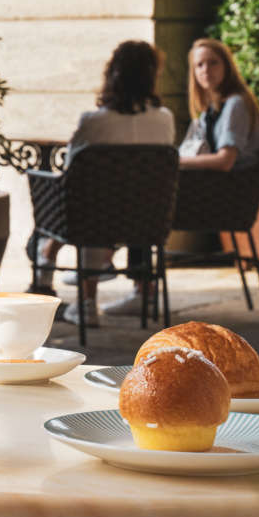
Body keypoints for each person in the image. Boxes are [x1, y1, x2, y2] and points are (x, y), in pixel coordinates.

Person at [30, 40, 176, 325]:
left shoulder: (93, 121)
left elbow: (72, 171)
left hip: (93, 220)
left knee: (89, 202)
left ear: (112, 74)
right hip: (147, 219)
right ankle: (137, 293)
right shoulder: (165, 119)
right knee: (101, 201)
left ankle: (80, 299)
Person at [178, 37, 259, 172]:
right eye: (199, 65)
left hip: (233, 181)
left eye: (213, 63)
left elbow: (225, 161)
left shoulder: (235, 104)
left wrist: (175, 162)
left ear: (227, 67)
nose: (206, 70)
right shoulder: (210, 110)